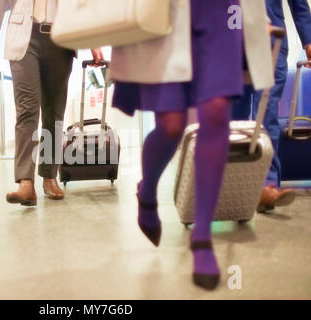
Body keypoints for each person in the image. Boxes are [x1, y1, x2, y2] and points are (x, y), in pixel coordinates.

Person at [110, 0, 274, 290]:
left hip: (222, 11)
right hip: (162, 9)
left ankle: (202, 236)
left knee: (216, 109)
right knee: (171, 125)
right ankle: (147, 190)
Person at [0, 0, 103, 206]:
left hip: (61, 39)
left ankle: (49, 175)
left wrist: (93, 40)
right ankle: (25, 181)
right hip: (23, 38)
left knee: (54, 111)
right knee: (27, 110)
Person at [232, 0, 311, 213]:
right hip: (231, 35)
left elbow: (298, 3)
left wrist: (308, 39)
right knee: (234, 117)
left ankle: (267, 184)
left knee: (266, 113)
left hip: (270, 39)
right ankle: (234, 184)